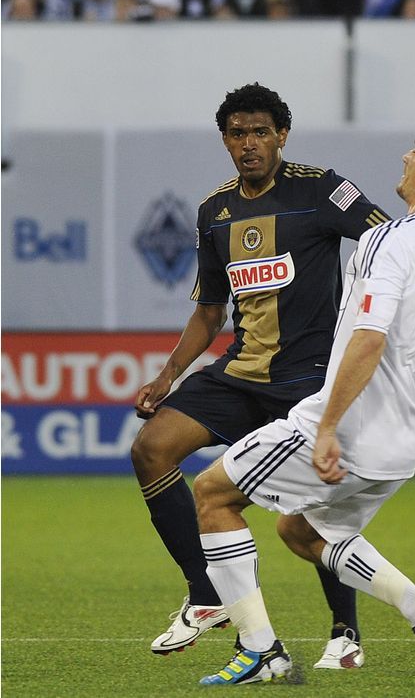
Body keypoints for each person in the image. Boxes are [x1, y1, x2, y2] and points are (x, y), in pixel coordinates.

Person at [191, 119, 415, 685]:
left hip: (348, 429)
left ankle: (262, 649)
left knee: (213, 494)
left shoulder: (387, 239)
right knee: (301, 530)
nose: (406, 155)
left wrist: (326, 428)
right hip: (401, 447)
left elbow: (369, 337)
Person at [131, 83, 392, 668]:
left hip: (310, 381)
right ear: (225, 140)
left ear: (282, 135)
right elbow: (208, 311)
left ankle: (345, 634)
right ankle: (205, 593)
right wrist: (169, 374)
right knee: (152, 448)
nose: (249, 144)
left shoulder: (323, 189)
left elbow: (389, 240)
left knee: (313, 511)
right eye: (237, 133)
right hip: (241, 374)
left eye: (259, 132)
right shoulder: (214, 212)